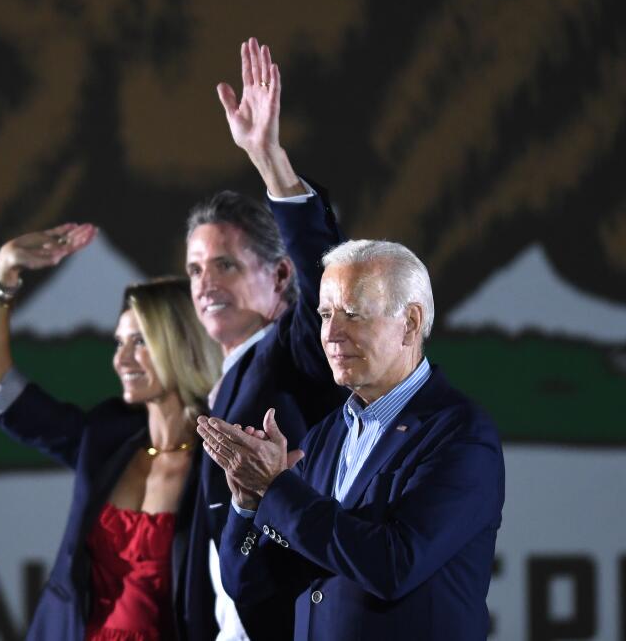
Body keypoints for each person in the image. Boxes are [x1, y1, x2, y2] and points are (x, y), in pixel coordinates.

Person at [198, 240, 505, 640]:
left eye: (353, 314)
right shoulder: (328, 435)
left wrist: (276, 486)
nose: (331, 334)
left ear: (411, 322)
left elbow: (394, 565)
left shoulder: (460, 434)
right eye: (325, 314)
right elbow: (251, 586)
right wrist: (248, 503)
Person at [0, 223, 222, 641]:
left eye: (140, 341)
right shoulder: (107, 435)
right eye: (118, 343)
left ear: (182, 342)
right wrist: (4, 271)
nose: (122, 359)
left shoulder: (221, 461)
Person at [178, 37, 347, 640]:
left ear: (278, 276)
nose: (205, 283)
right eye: (196, 269)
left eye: (225, 264)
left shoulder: (300, 349)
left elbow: (325, 272)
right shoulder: (223, 382)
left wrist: (270, 160)